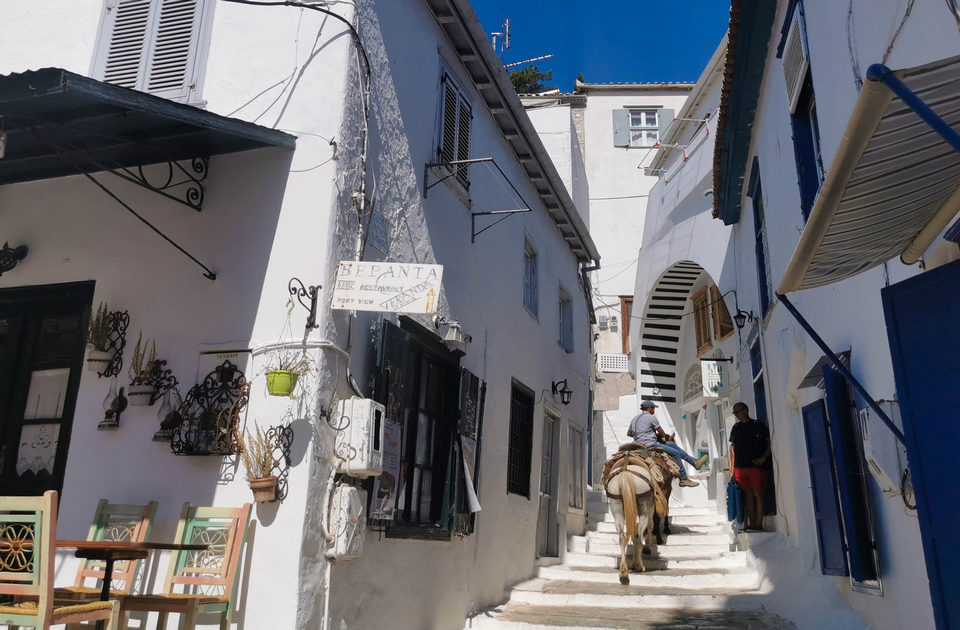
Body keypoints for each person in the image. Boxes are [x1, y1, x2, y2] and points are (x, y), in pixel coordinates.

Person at [627, 400, 709, 488]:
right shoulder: (651, 418)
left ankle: (694, 462)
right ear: (649, 408)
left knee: (672, 445)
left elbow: (629, 434)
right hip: (650, 444)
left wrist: (641, 435)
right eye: (653, 408)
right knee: (675, 453)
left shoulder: (634, 419)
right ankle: (683, 479)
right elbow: (661, 432)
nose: (654, 410)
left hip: (638, 445)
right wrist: (662, 436)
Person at [728, 402, 771, 531]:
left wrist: (764, 457)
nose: (736, 415)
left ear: (745, 410)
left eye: (737, 412)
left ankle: (759, 524)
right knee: (747, 496)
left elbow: (769, 443)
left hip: (755, 466)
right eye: (734, 413)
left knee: (758, 494)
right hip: (740, 467)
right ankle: (751, 524)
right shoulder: (736, 428)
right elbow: (732, 449)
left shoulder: (758, 425)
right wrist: (732, 469)